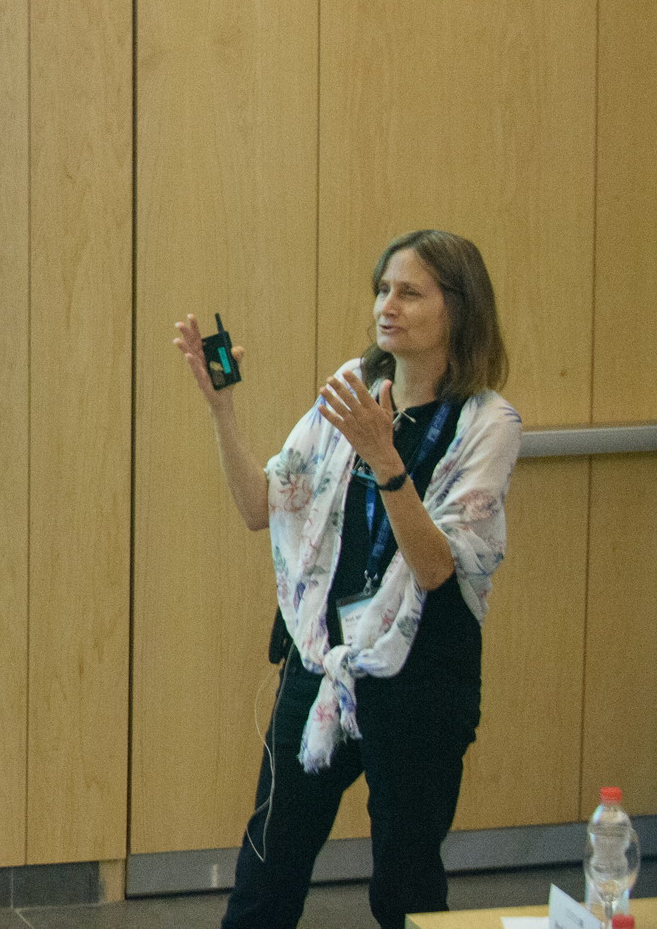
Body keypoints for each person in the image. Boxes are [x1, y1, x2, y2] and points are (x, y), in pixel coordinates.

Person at [175, 230, 522, 929]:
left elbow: (436, 567)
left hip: (422, 679)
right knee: (265, 878)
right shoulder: (353, 387)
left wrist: (384, 458)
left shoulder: (488, 423)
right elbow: (259, 507)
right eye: (382, 289)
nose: (386, 306)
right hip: (321, 663)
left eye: (409, 292)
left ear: (458, 308)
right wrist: (222, 409)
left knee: (406, 889)